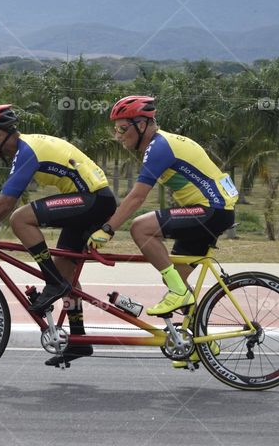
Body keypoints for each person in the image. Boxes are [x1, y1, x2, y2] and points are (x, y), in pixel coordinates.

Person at [0, 104, 116, 366]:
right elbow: (4, 197)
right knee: (66, 274)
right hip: (91, 201)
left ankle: (53, 284)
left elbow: (6, 203)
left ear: (0, 135)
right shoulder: (23, 150)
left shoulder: (26, 152)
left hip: (93, 200)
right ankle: (79, 340)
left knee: (20, 218)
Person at [87, 95, 238, 319]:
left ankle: (179, 293)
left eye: (121, 128)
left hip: (211, 210)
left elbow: (137, 197)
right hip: (214, 211)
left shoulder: (159, 147)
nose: (117, 136)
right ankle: (201, 346)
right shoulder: (162, 143)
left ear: (141, 125)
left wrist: (108, 229)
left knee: (140, 228)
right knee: (175, 276)